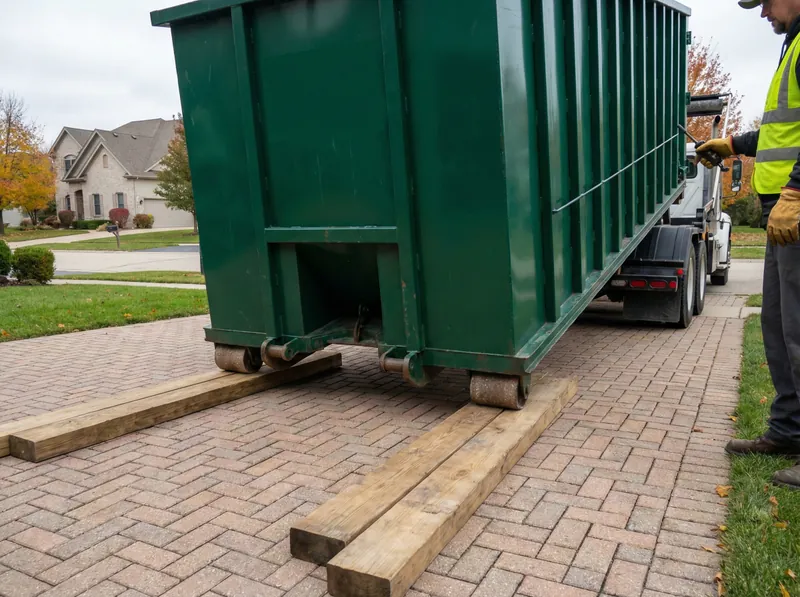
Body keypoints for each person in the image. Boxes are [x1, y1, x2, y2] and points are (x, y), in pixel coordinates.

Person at [695, 0, 800, 489]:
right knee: (778, 327)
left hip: (794, 207)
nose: (763, 14)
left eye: (766, 2)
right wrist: (734, 144)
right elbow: (782, 134)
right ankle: (788, 431)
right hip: (782, 212)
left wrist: (796, 191)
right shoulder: (791, 45)